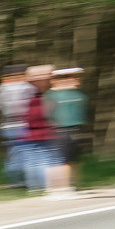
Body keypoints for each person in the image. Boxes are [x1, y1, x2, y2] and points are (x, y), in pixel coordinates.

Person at [45, 67, 88, 196]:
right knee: (64, 160)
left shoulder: (79, 94)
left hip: (77, 129)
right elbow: (48, 113)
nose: (76, 80)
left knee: (74, 159)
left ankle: (73, 185)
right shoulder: (53, 95)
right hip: (62, 130)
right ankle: (62, 187)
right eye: (70, 78)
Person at [18, 64, 59, 194]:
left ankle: (34, 187)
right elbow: (49, 113)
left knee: (31, 161)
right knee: (46, 159)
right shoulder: (47, 96)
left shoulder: (25, 94)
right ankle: (47, 185)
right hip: (44, 131)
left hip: (29, 132)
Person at [0, 63, 36, 189]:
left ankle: (13, 181)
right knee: (27, 153)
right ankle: (26, 181)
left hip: (7, 125)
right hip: (23, 124)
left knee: (12, 154)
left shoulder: (1, 89)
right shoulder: (28, 87)